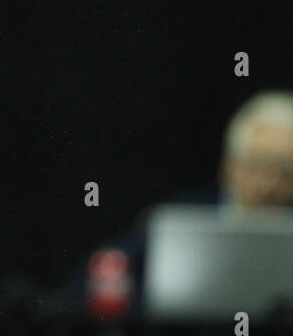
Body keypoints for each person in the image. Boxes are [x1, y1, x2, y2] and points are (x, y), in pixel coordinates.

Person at [78, 90, 293, 317]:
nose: (268, 185)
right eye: (256, 165)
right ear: (229, 166)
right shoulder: (183, 219)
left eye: (284, 172)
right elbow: (93, 280)